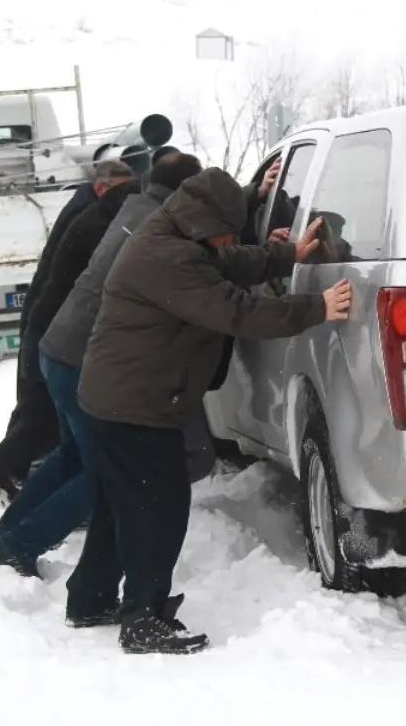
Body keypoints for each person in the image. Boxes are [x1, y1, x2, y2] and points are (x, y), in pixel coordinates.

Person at [71, 167, 352, 655]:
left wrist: (287, 254)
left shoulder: (173, 233)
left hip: (119, 397)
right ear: (205, 220)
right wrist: (316, 308)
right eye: (227, 228)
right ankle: (142, 617)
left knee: (121, 506)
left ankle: (89, 598)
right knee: (155, 511)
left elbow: (225, 261)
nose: (229, 239)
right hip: (135, 405)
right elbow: (236, 309)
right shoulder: (167, 256)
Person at [0, 153, 202, 592]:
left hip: (59, 347)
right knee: (103, 471)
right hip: (81, 357)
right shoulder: (153, 228)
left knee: (73, 455)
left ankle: (9, 532)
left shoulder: (133, 208)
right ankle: (20, 545)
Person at [0, 160, 135, 500]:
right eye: (122, 192)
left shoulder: (84, 206)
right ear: (103, 188)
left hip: (46, 319)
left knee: (36, 406)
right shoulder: (92, 217)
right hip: (53, 324)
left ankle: (5, 472)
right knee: (42, 412)